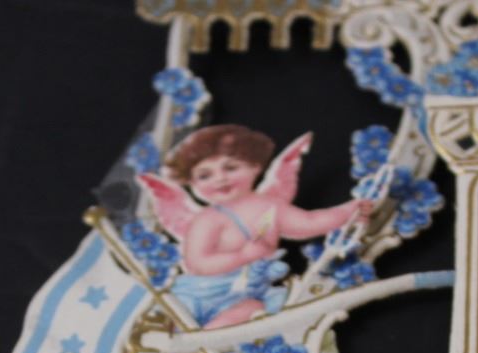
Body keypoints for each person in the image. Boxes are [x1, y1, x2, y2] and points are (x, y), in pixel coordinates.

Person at [142, 125, 372, 331]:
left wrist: (348, 212)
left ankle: (199, 347)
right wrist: (243, 256)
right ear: (192, 184)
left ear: (255, 167)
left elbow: (309, 222)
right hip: (203, 292)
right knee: (170, 321)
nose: (220, 178)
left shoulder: (270, 206)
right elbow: (198, 263)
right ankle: (174, 347)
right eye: (205, 175)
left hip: (247, 292)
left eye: (231, 167)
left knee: (254, 311)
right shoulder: (207, 219)